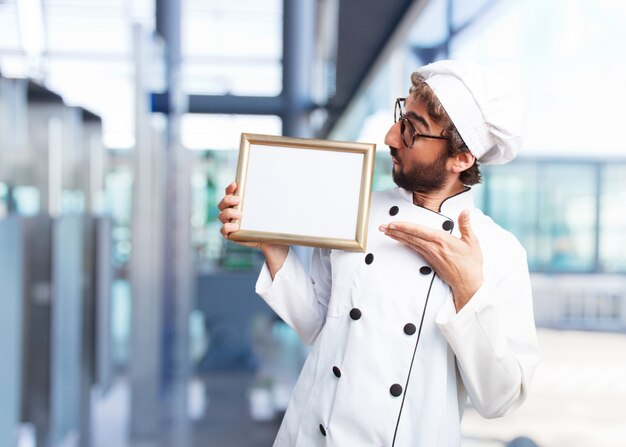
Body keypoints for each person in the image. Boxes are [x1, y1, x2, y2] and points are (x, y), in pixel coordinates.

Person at [218, 60, 539, 447]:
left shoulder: (500, 252)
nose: (390, 136)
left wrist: (468, 289)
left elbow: (499, 399)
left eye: (412, 131)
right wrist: (270, 242)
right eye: (401, 118)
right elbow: (316, 324)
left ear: (462, 158)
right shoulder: (354, 209)